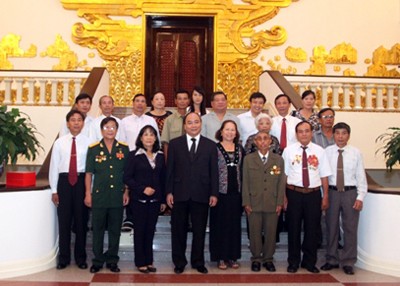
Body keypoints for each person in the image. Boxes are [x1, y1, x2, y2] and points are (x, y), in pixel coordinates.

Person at [166, 112, 219, 274]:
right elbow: (170, 170)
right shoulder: (175, 144)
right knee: (178, 230)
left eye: (196, 122)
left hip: (201, 193)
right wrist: (168, 192)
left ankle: (198, 261)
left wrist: (214, 193)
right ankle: (179, 262)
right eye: (190, 122)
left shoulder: (210, 145)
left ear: (201, 124)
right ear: (184, 125)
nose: (193, 125)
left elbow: (214, 172)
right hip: (179, 193)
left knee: (199, 230)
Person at [282, 121, 332, 274]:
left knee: (312, 229)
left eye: (306, 131)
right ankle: (293, 262)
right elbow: (284, 175)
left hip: (313, 194)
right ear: (296, 134)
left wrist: (325, 197)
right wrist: (283, 197)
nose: (304, 134)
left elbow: (324, 175)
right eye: (300, 131)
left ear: (311, 133)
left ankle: (309, 262)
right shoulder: (288, 151)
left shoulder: (320, 151)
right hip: (294, 193)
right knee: (294, 229)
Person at [320, 122, 367, 275]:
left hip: (350, 192)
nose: (340, 136)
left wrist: (360, 196)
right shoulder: (326, 152)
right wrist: (323, 195)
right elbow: (323, 175)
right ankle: (331, 259)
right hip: (332, 192)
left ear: (348, 135)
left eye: (344, 133)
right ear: (333, 135)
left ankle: (348, 261)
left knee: (350, 227)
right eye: (337, 133)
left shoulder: (356, 153)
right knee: (331, 226)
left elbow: (360, 176)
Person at [84, 117, 130, 273]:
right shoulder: (94, 148)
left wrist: (126, 192)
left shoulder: (123, 148)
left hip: (117, 194)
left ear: (117, 130)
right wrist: (87, 194)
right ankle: (97, 260)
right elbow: (89, 174)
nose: (110, 130)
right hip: (99, 196)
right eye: (106, 127)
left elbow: (127, 174)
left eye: (113, 127)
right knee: (97, 229)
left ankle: (112, 259)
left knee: (115, 229)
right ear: (101, 130)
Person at [49, 110, 91, 270]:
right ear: (67, 123)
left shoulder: (89, 142)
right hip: (64, 183)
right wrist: (54, 190)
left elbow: (91, 170)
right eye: (72, 120)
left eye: (79, 120)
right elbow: (54, 167)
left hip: (81, 182)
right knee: (64, 222)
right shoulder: (60, 142)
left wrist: (90, 190)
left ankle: (81, 258)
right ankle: (64, 258)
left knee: (81, 222)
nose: (76, 123)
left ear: (83, 123)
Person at [123, 125, 166, 273]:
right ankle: (140, 261)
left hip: (155, 201)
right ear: (141, 138)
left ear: (156, 138)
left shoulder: (160, 155)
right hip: (138, 200)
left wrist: (162, 200)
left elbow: (163, 179)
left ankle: (149, 260)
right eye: (145, 135)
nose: (149, 137)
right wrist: (142, 189)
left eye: (152, 135)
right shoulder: (133, 155)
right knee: (140, 231)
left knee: (150, 231)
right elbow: (127, 177)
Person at [242, 131, 286, 272]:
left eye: (265, 139)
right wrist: (246, 202)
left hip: (272, 202)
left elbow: (281, 183)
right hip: (254, 202)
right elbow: (245, 182)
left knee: (271, 232)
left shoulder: (278, 160)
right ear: (255, 142)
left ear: (270, 142)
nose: (262, 141)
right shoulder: (248, 159)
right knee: (254, 232)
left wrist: (279, 202)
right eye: (259, 139)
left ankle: (268, 259)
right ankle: (256, 258)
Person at [119, 93, 160, 231]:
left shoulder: (151, 120)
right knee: (132, 188)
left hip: (148, 158)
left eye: (143, 101)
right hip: (132, 158)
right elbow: (122, 142)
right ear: (133, 103)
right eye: (137, 101)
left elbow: (157, 139)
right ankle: (130, 217)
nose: (140, 104)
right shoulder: (125, 121)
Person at [209, 120, 244, 270]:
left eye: (233, 130)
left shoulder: (240, 149)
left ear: (236, 133)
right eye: (227, 129)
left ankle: (232, 256)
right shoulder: (214, 148)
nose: (230, 132)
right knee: (219, 225)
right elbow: (211, 172)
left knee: (234, 225)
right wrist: (212, 193)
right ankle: (220, 257)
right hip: (219, 193)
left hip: (236, 193)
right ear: (221, 131)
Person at [161, 90, 190, 157]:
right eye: (179, 99)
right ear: (175, 101)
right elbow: (166, 143)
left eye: (185, 99)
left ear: (188, 101)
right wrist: (167, 161)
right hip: (174, 155)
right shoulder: (169, 120)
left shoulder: (193, 118)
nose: (182, 101)